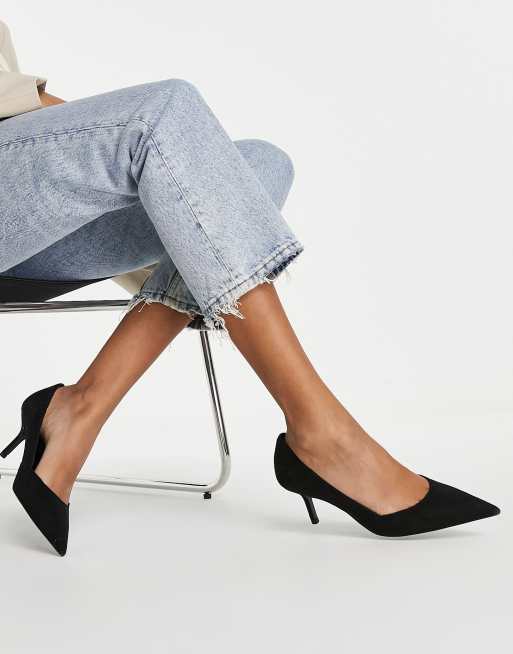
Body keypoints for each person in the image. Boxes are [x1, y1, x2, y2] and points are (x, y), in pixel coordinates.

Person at [0, 19, 500, 556]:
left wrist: (164, 162)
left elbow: (22, 107)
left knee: (256, 165)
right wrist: (147, 140)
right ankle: (323, 436)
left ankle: (80, 408)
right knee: (163, 113)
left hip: (27, 229)